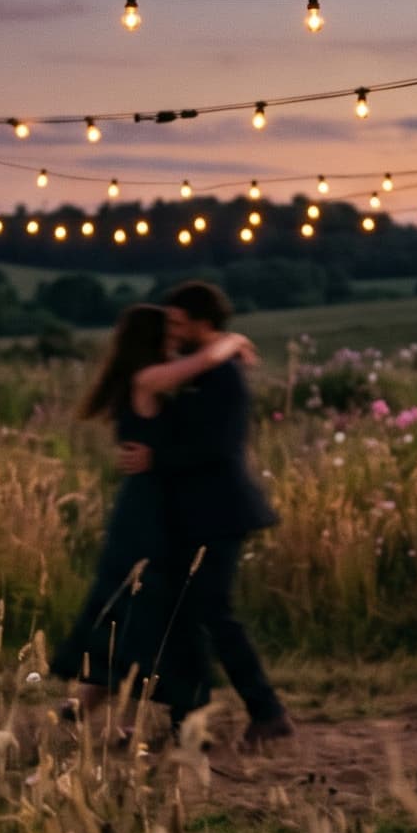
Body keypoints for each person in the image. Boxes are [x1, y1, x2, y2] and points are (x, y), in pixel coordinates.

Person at [52, 303, 258, 724]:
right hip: (148, 508)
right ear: (151, 340)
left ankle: (93, 700)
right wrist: (232, 340)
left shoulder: (147, 378)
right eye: (168, 337)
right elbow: (206, 360)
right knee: (141, 600)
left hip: (153, 500)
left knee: (138, 601)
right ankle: (133, 701)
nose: (175, 344)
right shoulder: (148, 379)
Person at [116, 280, 294, 749]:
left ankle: (267, 712)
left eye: (178, 321)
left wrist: (158, 460)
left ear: (202, 323)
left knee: (213, 612)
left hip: (221, 511)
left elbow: (219, 447)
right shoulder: (197, 370)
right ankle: (188, 721)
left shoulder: (223, 377)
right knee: (185, 616)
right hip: (193, 514)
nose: (171, 329)